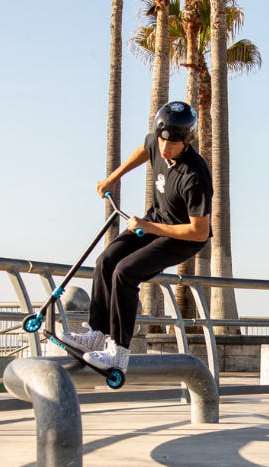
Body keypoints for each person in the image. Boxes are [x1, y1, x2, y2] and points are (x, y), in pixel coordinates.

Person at [61, 101, 213, 373]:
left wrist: (151, 228)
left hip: (184, 238)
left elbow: (199, 231)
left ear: (187, 140)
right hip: (156, 220)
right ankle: (97, 333)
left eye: (173, 144)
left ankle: (119, 352)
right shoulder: (158, 141)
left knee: (125, 272)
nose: (165, 148)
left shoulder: (195, 174)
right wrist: (113, 178)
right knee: (106, 260)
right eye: (162, 140)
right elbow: (144, 150)